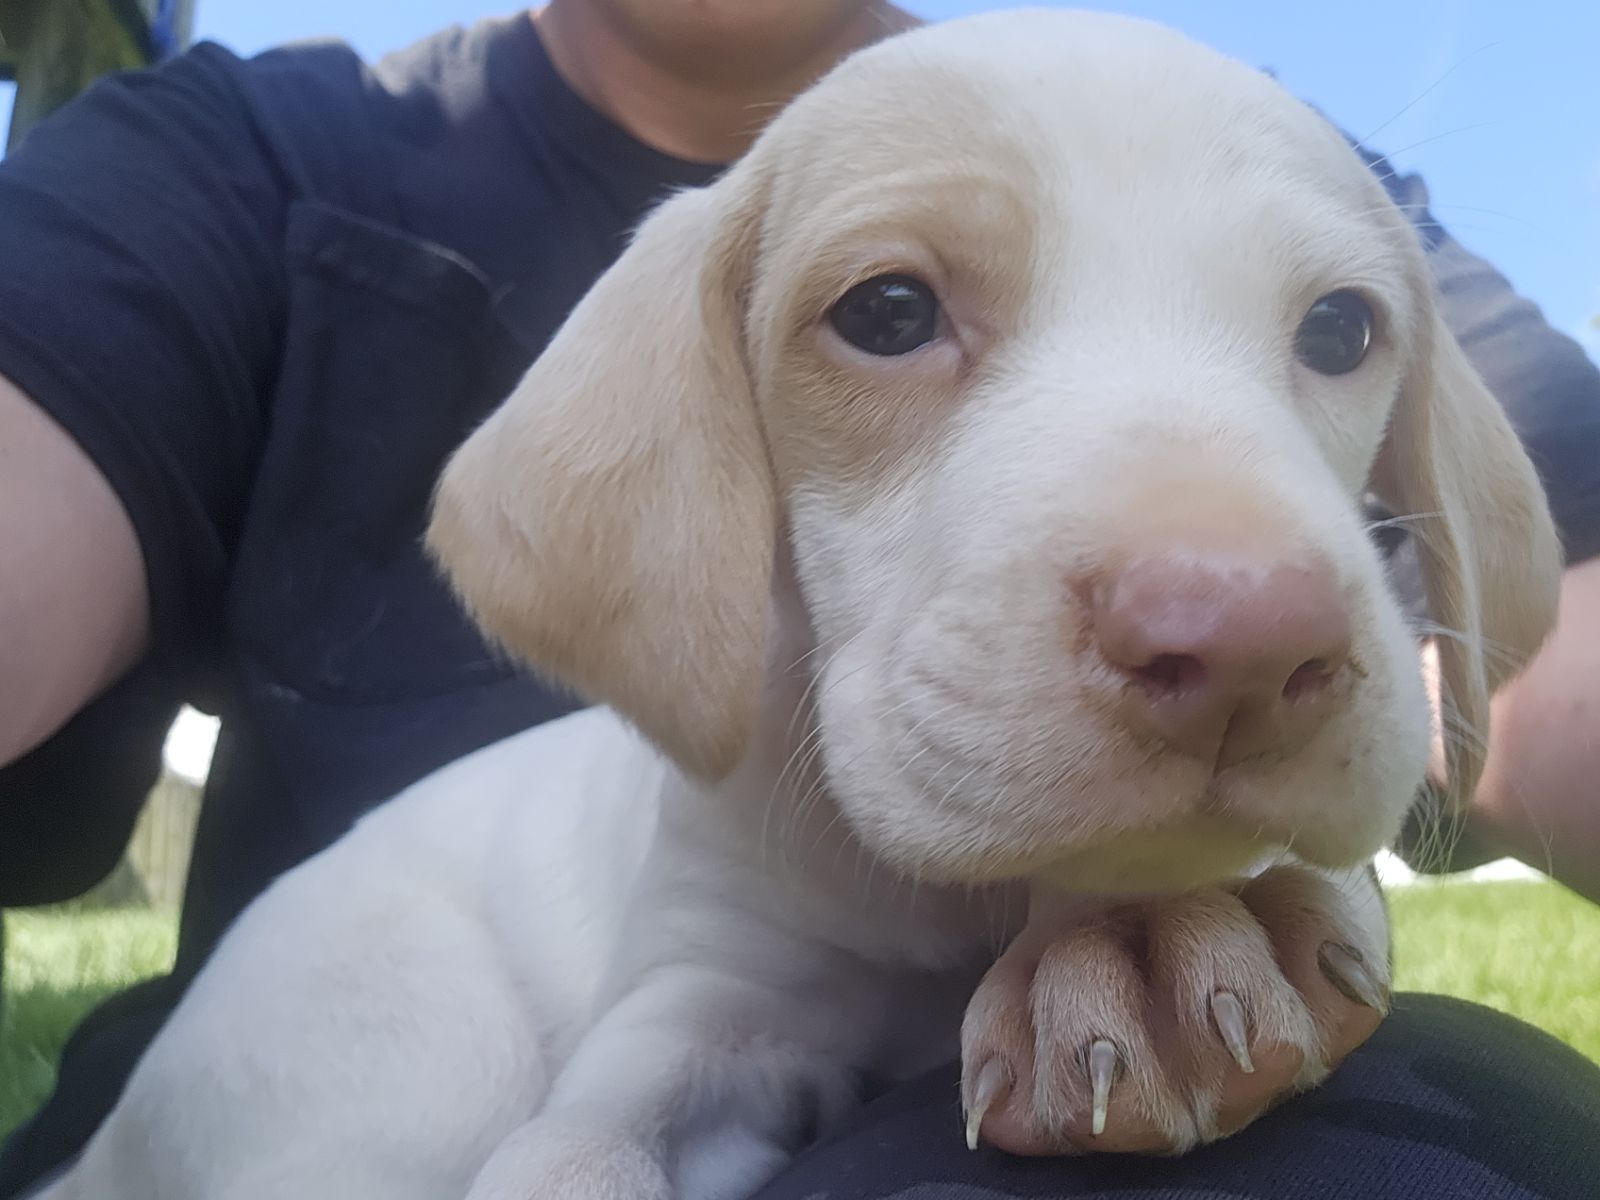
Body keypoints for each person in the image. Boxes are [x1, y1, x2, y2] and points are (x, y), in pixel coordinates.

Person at [1, 2, 1598, 1196]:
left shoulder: (1252, 139)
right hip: (346, 1068)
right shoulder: (244, 154)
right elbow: (650, 1096)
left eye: (1332, 333)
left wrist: (1233, 876)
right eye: (891, 312)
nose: (1235, 599)